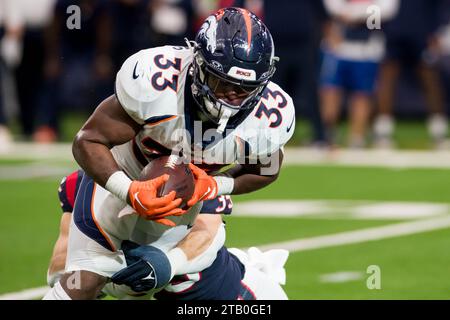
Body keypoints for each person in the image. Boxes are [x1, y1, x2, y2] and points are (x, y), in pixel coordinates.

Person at [43, 7, 295, 300]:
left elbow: (266, 169)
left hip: (192, 193)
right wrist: (128, 190)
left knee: (159, 281)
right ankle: (82, 195)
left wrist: (214, 185)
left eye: (244, 89)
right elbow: (88, 140)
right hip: (128, 170)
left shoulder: (269, 115)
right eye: (222, 83)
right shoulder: (158, 79)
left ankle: (244, 273)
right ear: (199, 64)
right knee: (81, 281)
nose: (231, 98)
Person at [47, 169, 289, 300]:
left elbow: (206, 236)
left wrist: (165, 265)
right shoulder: (84, 184)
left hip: (237, 294)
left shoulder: (189, 181)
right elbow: (61, 268)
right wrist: (104, 276)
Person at [319, 0, 399, 148]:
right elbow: (333, 7)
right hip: (338, 46)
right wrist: (359, 13)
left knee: (362, 94)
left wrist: (354, 14)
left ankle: (356, 137)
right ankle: (327, 134)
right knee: (331, 90)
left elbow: (387, 10)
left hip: (367, 48)